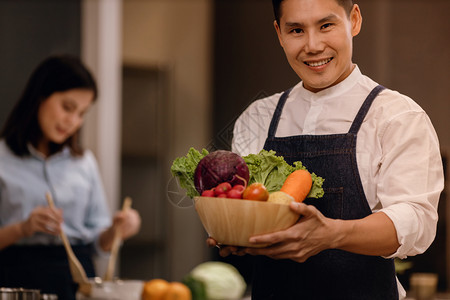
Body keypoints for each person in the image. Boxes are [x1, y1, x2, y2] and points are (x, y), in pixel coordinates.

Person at [207, 0, 444, 299]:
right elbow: (248, 206)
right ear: (279, 34)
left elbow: (416, 220)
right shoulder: (258, 117)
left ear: (354, 20)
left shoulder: (396, 116)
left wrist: (332, 234)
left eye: (326, 25)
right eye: (296, 30)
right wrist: (239, 232)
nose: (313, 45)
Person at [0, 55, 141, 300]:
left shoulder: (83, 162)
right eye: (67, 107)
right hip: (16, 281)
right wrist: (23, 228)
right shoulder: (3, 157)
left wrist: (118, 230)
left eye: (82, 113)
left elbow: (98, 243)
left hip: (76, 282)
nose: (73, 121)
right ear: (40, 96)